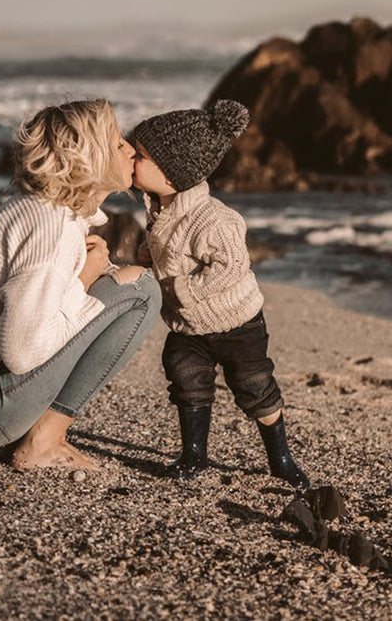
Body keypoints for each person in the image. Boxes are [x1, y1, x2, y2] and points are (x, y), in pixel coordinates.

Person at [0, 99, 161, 471]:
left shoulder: (45, 210)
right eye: (116, 142)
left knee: (119, 285)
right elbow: (23, 352)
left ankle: (38, 434)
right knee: (141, 291)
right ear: (87, 157)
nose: (129, 148)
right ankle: (44, 442)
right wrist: (86, 278)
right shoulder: (51, 226)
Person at [131, 99, 311, 491]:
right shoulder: (160, 207)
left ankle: (280, 456)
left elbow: (229, 265)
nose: (131, 157)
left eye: (140, 155)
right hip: (187, 325)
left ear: (173, 171)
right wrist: (147, 256)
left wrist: (181, 288)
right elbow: (168, 248)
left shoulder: (214, 219)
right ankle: (194, 453)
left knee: (254, 386)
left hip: (237, 323)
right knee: (186, 378)